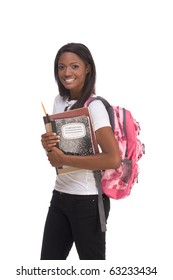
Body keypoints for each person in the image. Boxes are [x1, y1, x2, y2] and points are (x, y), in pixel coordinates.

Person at [40, 43, 121, 260]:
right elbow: (62, 149)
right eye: (61, 67)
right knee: (47, 266)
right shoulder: (59, 101)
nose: (67, 73)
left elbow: (113, 159)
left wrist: (63, 158)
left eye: (74, 66)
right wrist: (47, 142)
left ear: (87, 68)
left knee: (92, 269)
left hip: (88, 202)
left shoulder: (94, 107)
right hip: (59, 197)